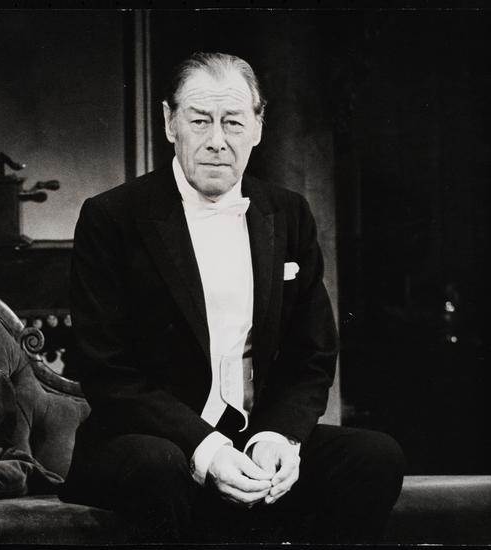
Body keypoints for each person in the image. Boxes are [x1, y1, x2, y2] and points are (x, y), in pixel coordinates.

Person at [63, 51, 405, 544]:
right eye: (200, 120)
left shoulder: (289, 213)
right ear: (169, 122)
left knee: (374, 456)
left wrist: (277, 437)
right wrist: (207, 449)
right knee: (158, 465)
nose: (217, 141)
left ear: (258, 128)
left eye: (233, 122)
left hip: (251, 441)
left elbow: (312, 354)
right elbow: (106, 370)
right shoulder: (111, 217)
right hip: (147, 444)